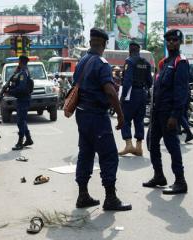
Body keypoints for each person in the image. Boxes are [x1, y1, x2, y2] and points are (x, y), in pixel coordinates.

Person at [74, 28, 131, 211]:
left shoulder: (81, 62)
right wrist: (121, 115)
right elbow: (110, 91)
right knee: (109, 156)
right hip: (97, 116)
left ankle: (82, 195)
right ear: (104, 44)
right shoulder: (101, 63)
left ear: (91, 42)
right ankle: (110, 198)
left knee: (86, 153)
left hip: (82, 114)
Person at [143, 29, 190, 194]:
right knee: (152, 144)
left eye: (175, 40)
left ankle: (180, 181)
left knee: (172, 147)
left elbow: (181, 91)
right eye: (169, 40)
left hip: (169, 113)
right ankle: (159, 176)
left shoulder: (180, 62)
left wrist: (175, 115)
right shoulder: (164, 63)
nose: (171, 42)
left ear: (180, 42)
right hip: (157, 113)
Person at [119, 41, 152, 156]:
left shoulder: (129, 61)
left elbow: (127, 81)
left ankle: (129, 145)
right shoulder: (146, 63)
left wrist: (122, 97)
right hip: (142, 94)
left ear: (130, 50)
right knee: (139, 120)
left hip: (131, 94)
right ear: (138, 51)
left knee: (125, 119)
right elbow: (150, 82)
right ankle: (139, 147)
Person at [6, 55, 33, 150]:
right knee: (22, 120)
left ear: (21, 62)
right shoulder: (23, 71)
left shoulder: (23, 73)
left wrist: (10, 92)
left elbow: (21, 88)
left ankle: (20, 142)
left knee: (20, 121)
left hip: (23, 99)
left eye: (19, 61)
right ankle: (28, 139)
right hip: (23, 99)